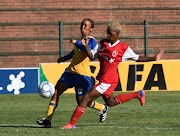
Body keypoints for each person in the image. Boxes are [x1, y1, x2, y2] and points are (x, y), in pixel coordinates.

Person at [61, 21, 164, 129]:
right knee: (111, 102)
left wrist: (154, 58)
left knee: (85, 98)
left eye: (110, 33)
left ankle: (71, 124)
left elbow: (137, 58)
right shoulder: (102, 44)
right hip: (103, 78)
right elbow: (92, 57)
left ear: (117, 34)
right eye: (107, 33)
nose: (108, 35)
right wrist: (86, 47)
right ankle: (138, 94)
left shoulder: (123, 48)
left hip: (108, 80)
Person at [37, 18, 108, 128]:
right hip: (70, 72)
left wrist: (77, 42)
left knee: (82, 102)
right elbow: (74, 53)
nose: (83, 27)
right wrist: (64, 58)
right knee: (56, 92)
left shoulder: (91, 40)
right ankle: (48, 120)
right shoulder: (81, 40)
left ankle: (102, 108)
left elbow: (87, 50)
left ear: (91, 29)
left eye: (86, 25)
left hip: (82, 76)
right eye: (82, 25)